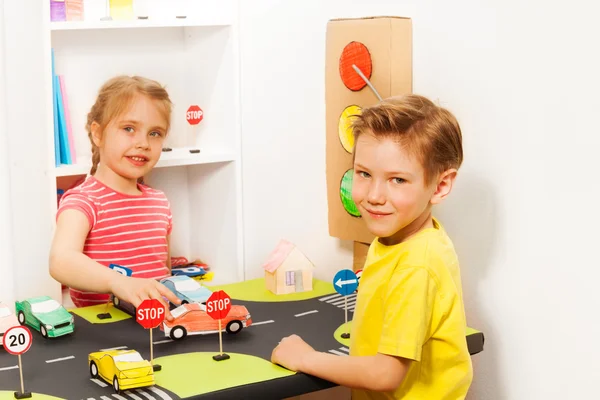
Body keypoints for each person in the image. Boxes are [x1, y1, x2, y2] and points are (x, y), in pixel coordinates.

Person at [271, 94, 473, 399]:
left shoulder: (417, 264)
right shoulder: (400, 238)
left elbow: (385, 374)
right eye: (364, 174)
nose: (374, 195)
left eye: (398, 180)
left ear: (440, 186)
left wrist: (305, 358)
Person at [49, 75, 181, 319]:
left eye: (155, 133)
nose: (143, 143)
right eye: (128, 128)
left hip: (159, 324)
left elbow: (165, 272)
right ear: (97, 134)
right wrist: (119, 283)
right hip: (107, 330)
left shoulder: (159, 202)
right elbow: (61, 260)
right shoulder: (83, 201)